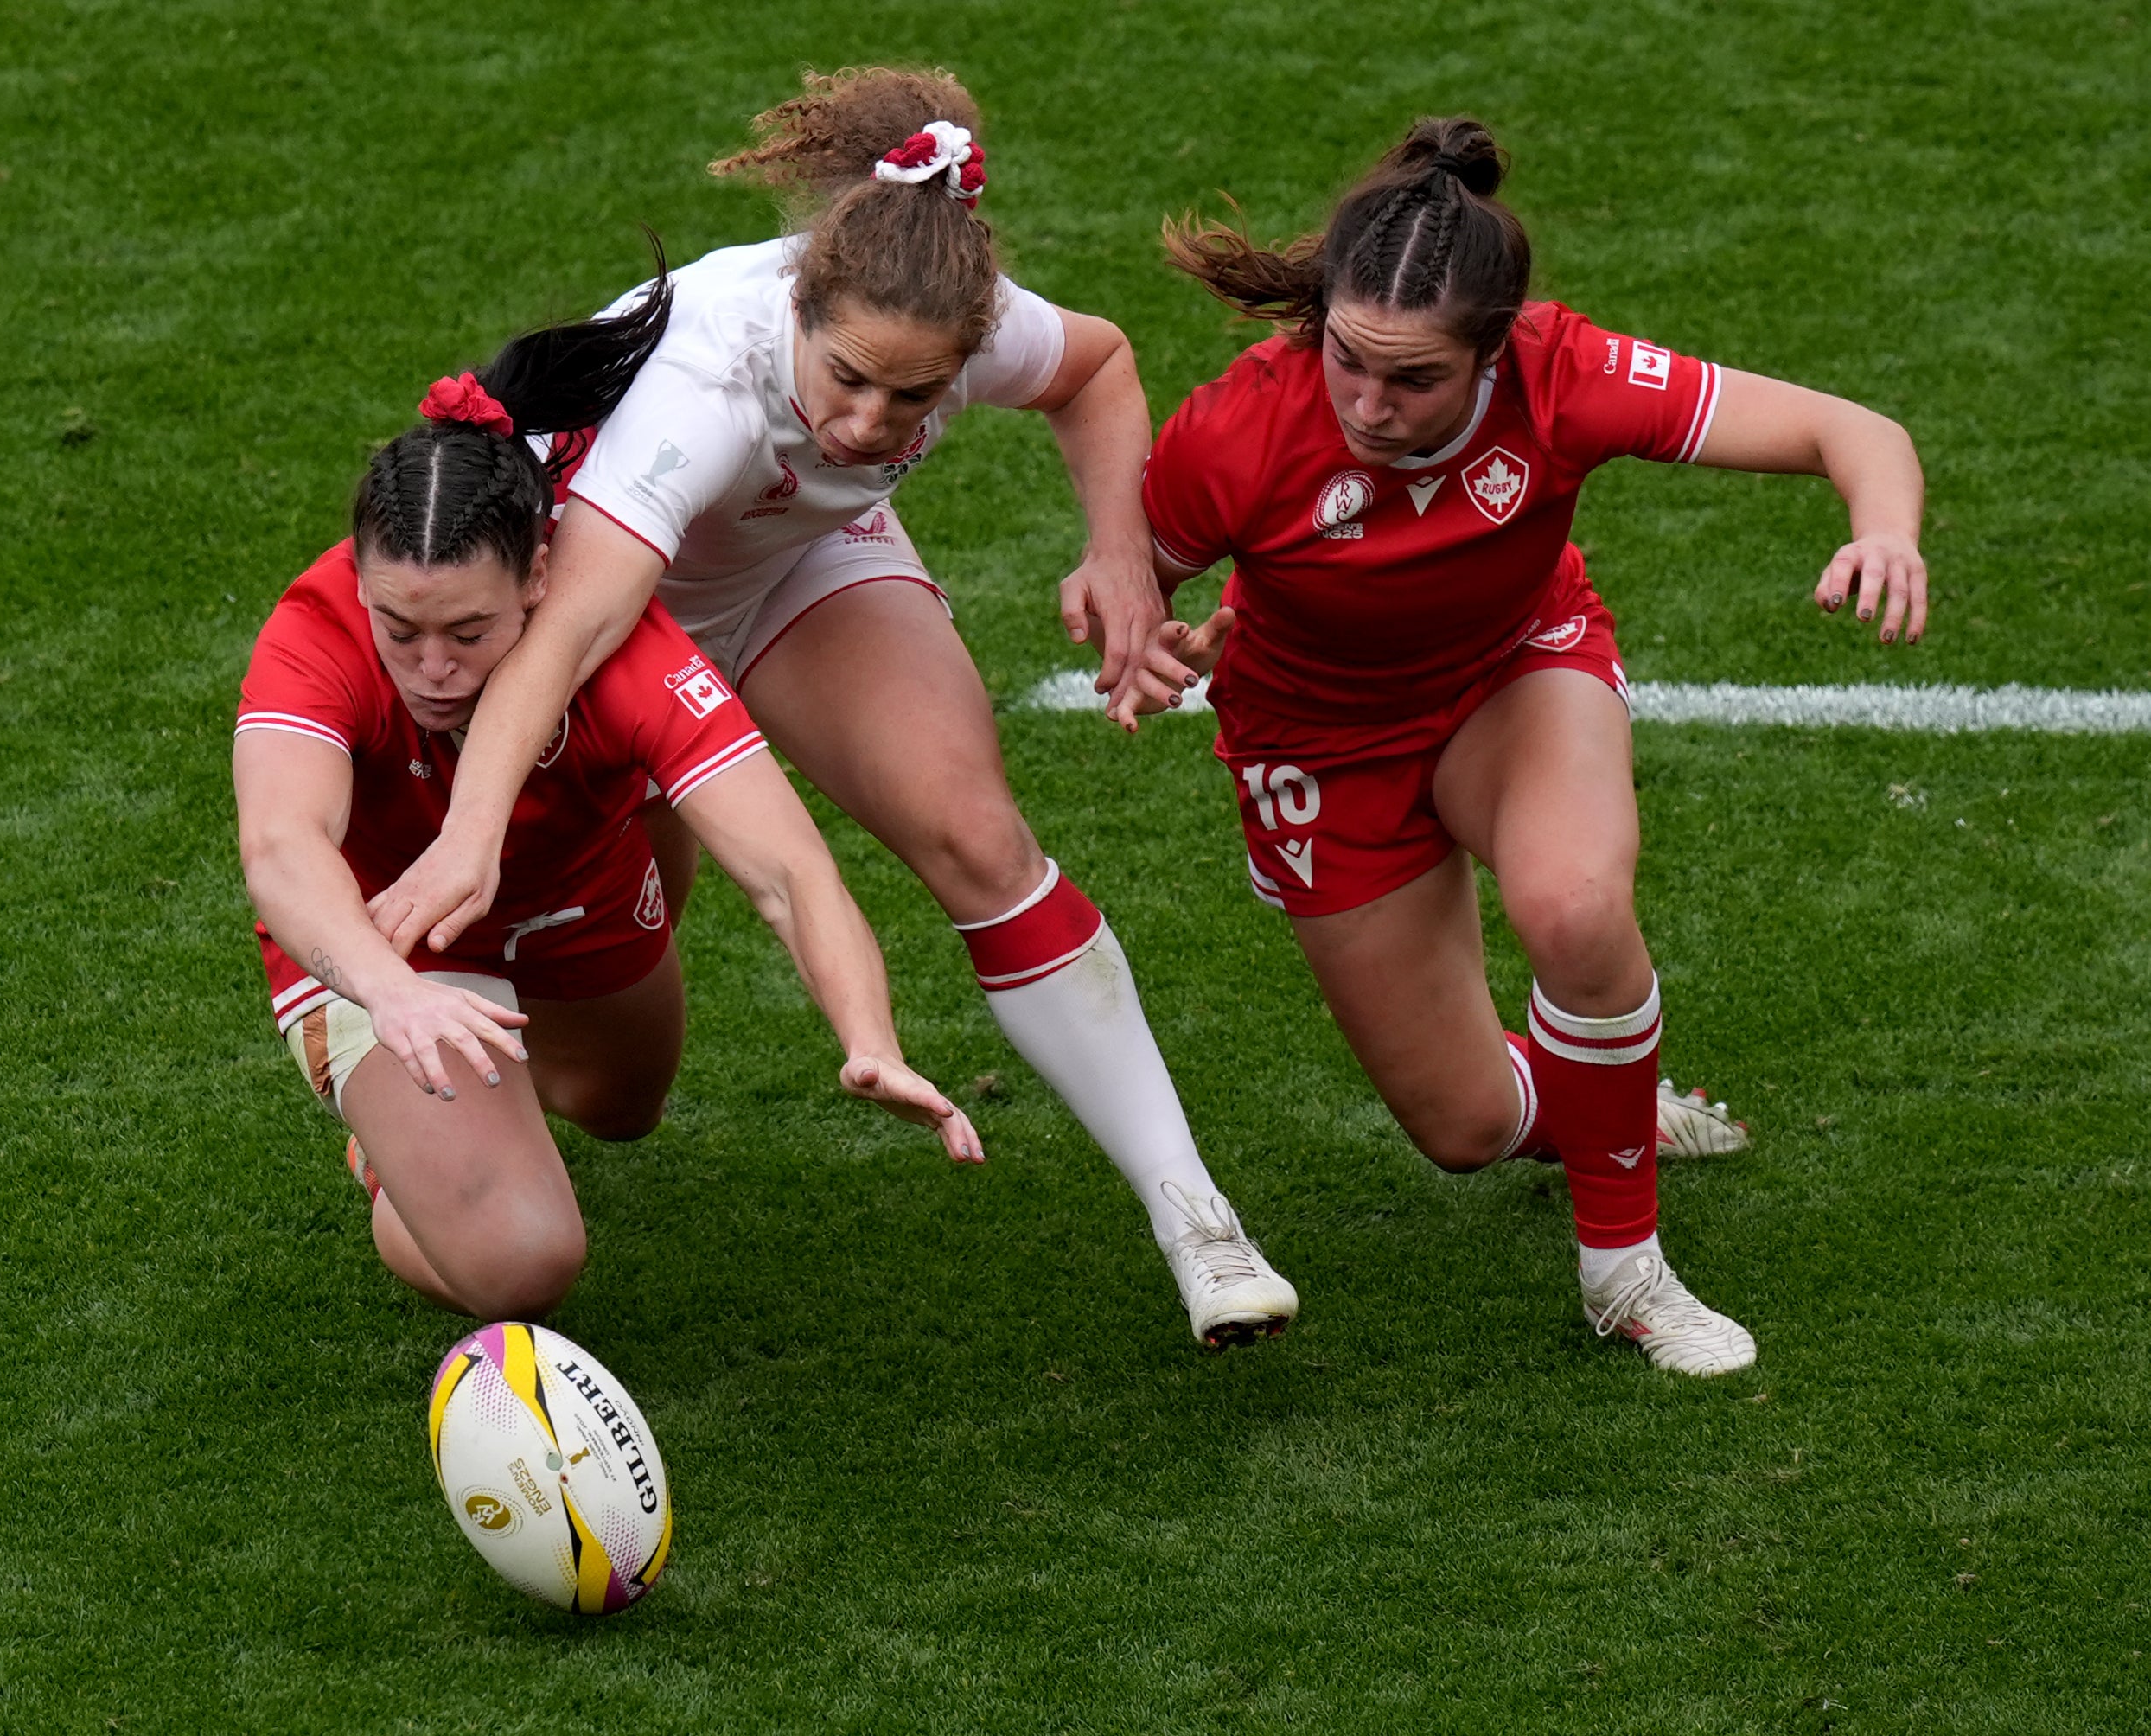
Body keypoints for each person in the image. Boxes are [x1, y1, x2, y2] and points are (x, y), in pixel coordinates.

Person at [358, 67, 1299, 1349]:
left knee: (978, 836)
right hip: (609, 622)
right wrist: (471, 836)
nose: (868, 423)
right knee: (612, 1081)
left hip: (796, 567)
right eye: (846, 377)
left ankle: (1199, 1220)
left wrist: (1120, 552)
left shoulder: (964, 319)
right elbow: (565, 634)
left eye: (914, 398)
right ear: (797, 303)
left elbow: (1099, 368)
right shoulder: (701, 389)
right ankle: (392, 1115)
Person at [1118, 118, 1929, 1375]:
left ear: (1495, 349)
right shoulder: (1238, 431)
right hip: (1315, 744)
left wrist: (1884, 532)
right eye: (1347, 361)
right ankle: (1601, 1096)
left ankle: (1629, 1276)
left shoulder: (1568, 372)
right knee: (1465, 1128)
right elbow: (1134, 584)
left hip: (1515, 674)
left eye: (1415, 380)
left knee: (1577, 906)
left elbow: (1852, 430)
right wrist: (1142, 642)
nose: (1371, 407)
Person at [234, 358, 980, 1323]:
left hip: (572, 895)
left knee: (621, 1110)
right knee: (524, 1260)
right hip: (387, 939)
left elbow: (789, 870)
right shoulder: (313, 630)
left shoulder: (628, 645)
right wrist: (395, 994)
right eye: (398, 628)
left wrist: (869, 1038)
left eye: (467, 631)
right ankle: (397, 1156)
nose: (430, 670)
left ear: (540, 577)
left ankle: (471, 1118)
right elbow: (284, 848)